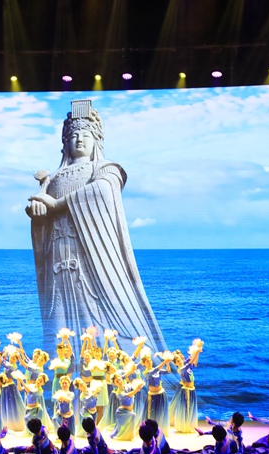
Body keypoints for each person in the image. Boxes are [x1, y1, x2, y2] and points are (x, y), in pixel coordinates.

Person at [26, 99, 167, 353]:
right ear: (65, 143)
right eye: (74, 135)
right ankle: (62, 367)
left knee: (95, 311)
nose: (79, 139)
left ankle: (106, 363)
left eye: (85, 135)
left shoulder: (104, 169)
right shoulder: (53, 178)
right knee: (60, 315)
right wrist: (38, 214)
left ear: (96, 140)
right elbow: (42, 215)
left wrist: (57, 204)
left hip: (92, 255)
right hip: (59, 255)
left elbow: (103, 191)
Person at [169, 340, 203, 433]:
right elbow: (191, 362)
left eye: (180, 359)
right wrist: (197, 352)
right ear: (175, 363)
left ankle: (189, 425)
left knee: (190, 408)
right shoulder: (181, 369)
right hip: (186, 390)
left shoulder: (185, 365)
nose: (180, 361)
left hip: (191, 389)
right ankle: (185, 426)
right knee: (187, 408)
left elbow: (194, 362)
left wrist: (197, 349)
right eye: (178, 361)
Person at [109, 375, 143, 441]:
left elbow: (133, 388)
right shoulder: (118, 392)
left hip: (129, 410)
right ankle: (127, 436)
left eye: (119, 379)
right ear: (115, 384)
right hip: (122, 412)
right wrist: (136, 389)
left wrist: (139, 384)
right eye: (117, 381)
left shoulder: (127, 386)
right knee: (133, 415)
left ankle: (129, 435)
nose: (119, 381)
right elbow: (128, 395)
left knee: (134, 415)